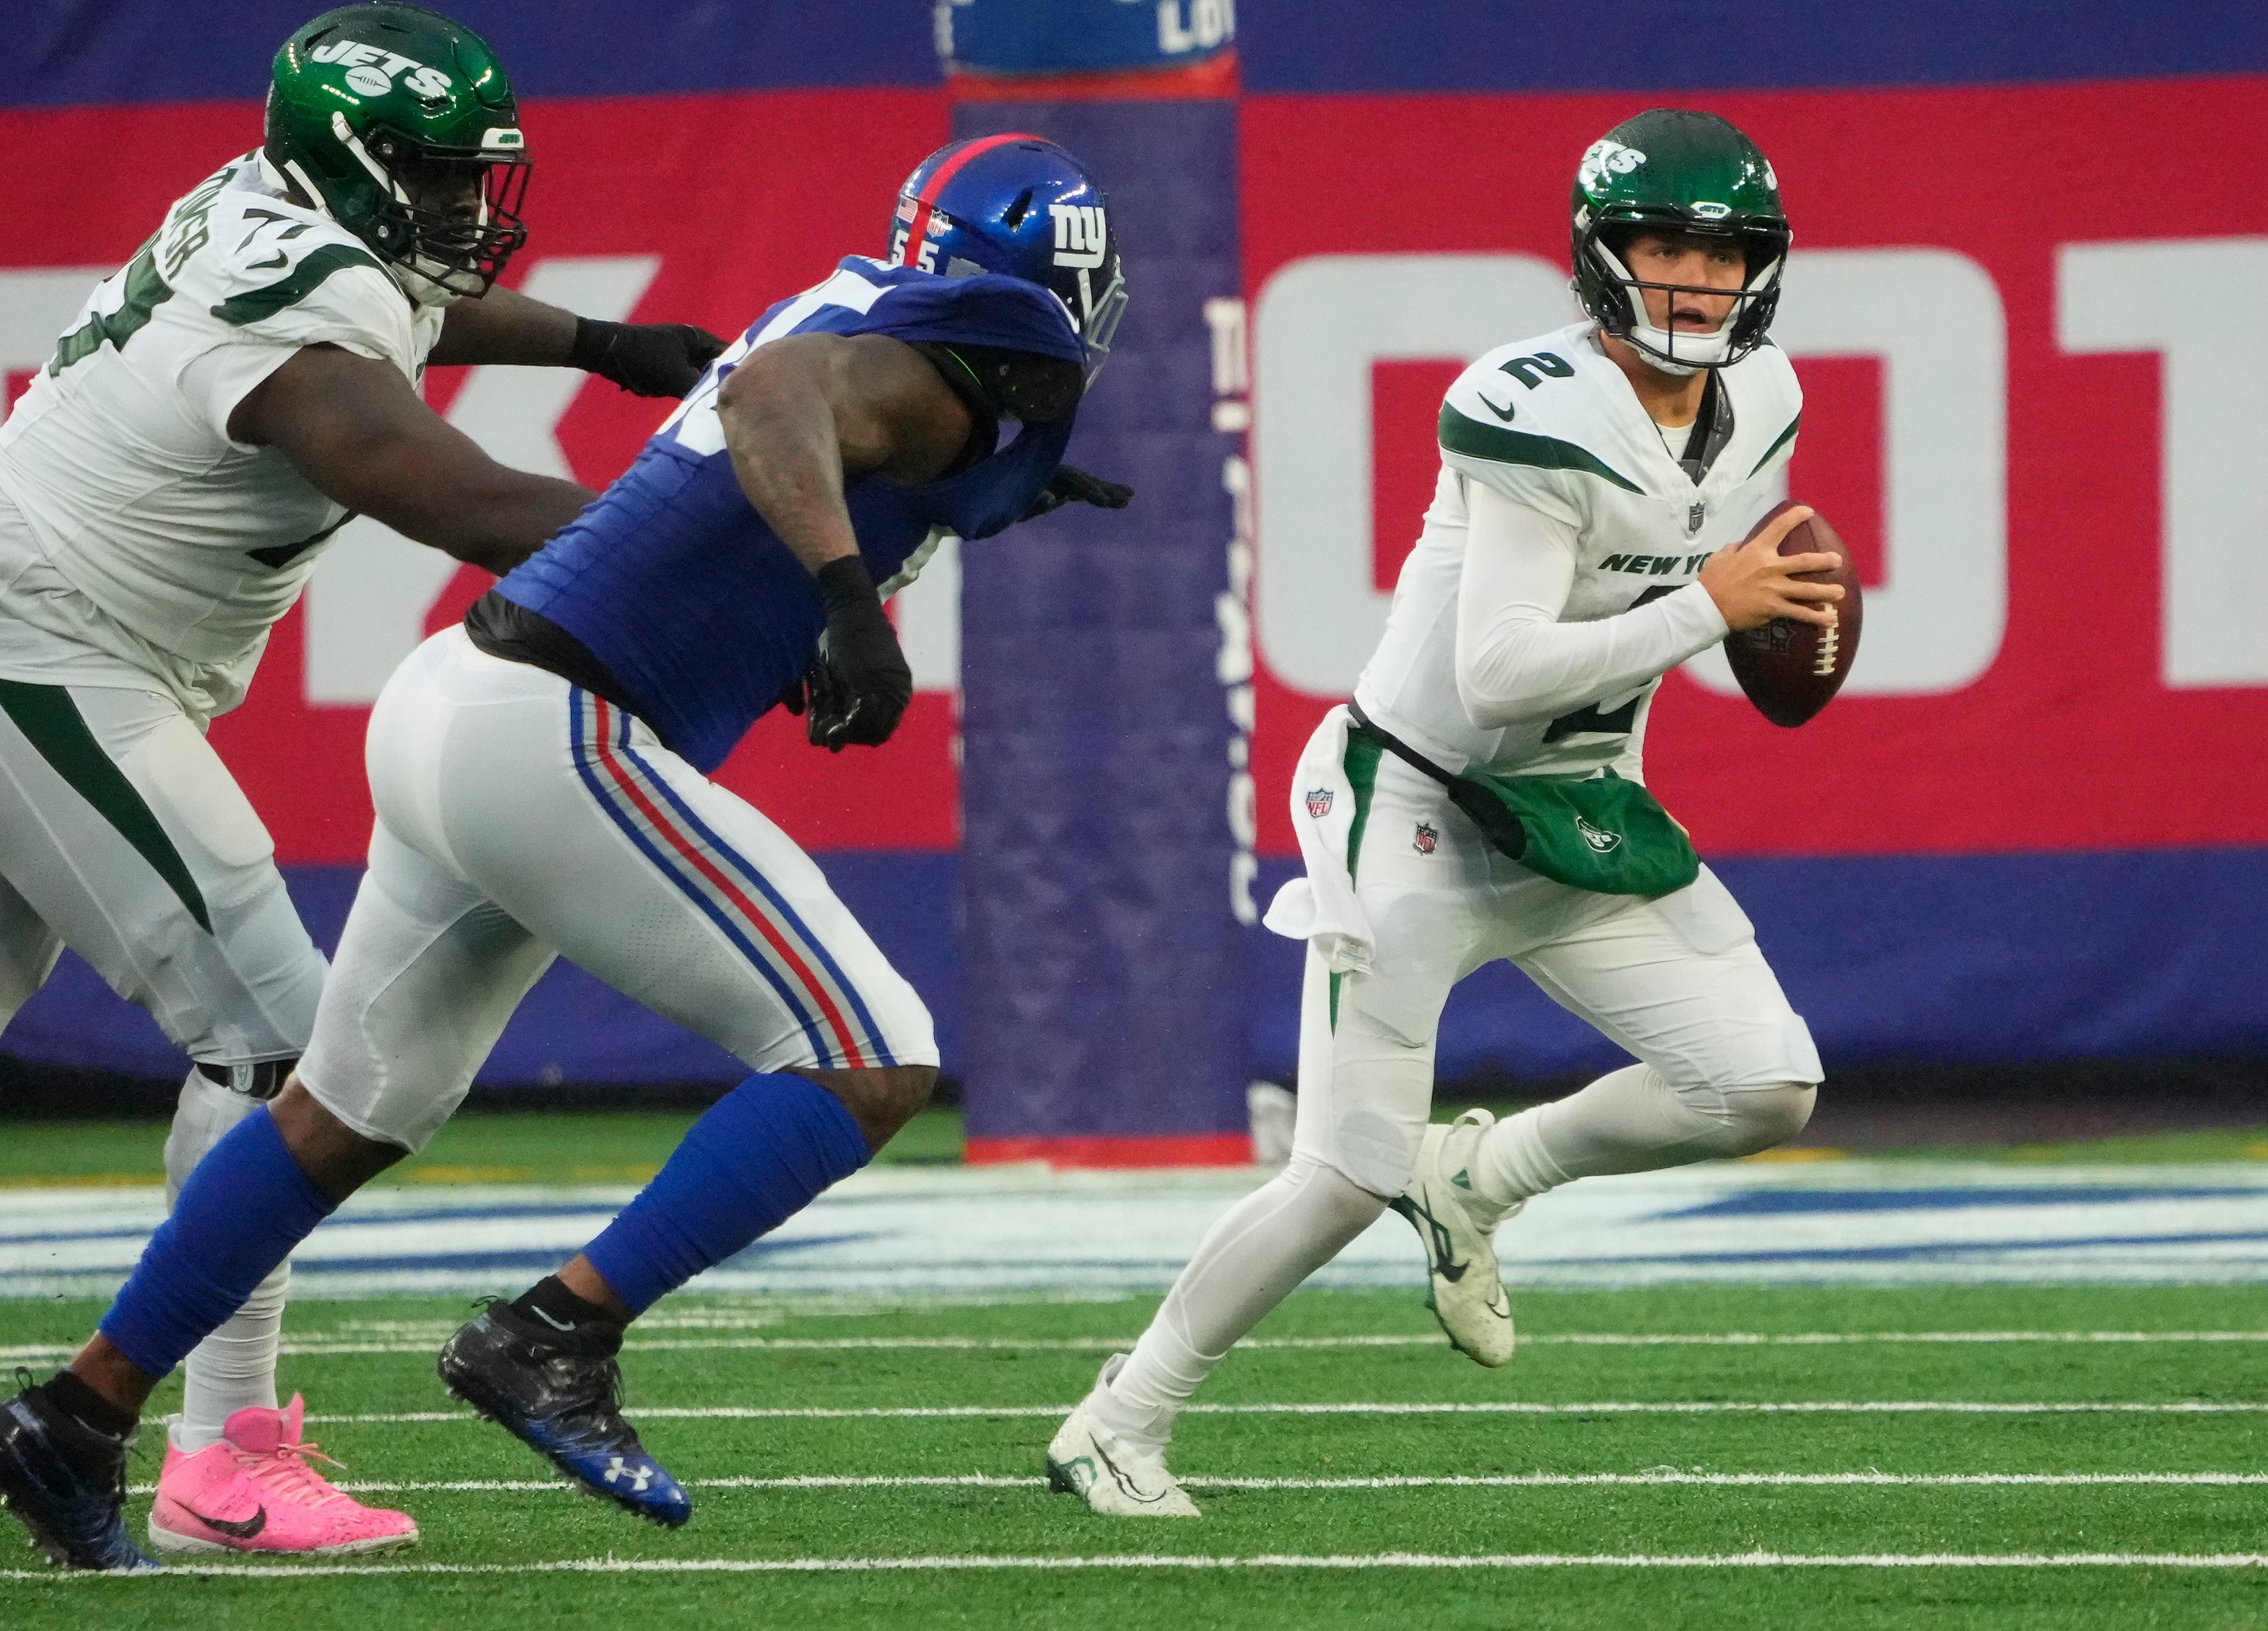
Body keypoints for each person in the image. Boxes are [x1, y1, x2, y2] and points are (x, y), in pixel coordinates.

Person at [0, 131, 1130, 1568]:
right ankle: (558, 1332)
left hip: (461, 705)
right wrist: (844, 597)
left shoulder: (879, 322)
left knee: (337, 1111)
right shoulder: (937, 353)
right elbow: (779, 395)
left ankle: (78, 1411)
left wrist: (881, 548)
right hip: (560, 729)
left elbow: (810, 425)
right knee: (869, 1050)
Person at [0, 2, 723, 1565]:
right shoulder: (290, 303)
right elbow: (443, 489)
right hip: (39, 640)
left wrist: (596, 343)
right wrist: (717, 549)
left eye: (476, 174)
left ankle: (207, 1447)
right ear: (350, 157)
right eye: (437, 175)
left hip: (71, 634)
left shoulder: (291, 213)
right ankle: (224, 1453)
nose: (466, 207)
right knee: (275, 1046)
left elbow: (404, 309)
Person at [1047, 108, 1840, 1516]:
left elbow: (1699, 590)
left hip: (1573, 802)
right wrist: (1703, 608)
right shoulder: (1535, 405)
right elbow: (1494, 667)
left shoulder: (1763, 397)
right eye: (1659, 244)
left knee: (1760, 1083)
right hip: (1407, 797)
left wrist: (1748, 616)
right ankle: (1119, 1416)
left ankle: (1478, 1172)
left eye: (1720, 252)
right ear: (1602, 257)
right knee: (1343, 1175)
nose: (1691, 278)